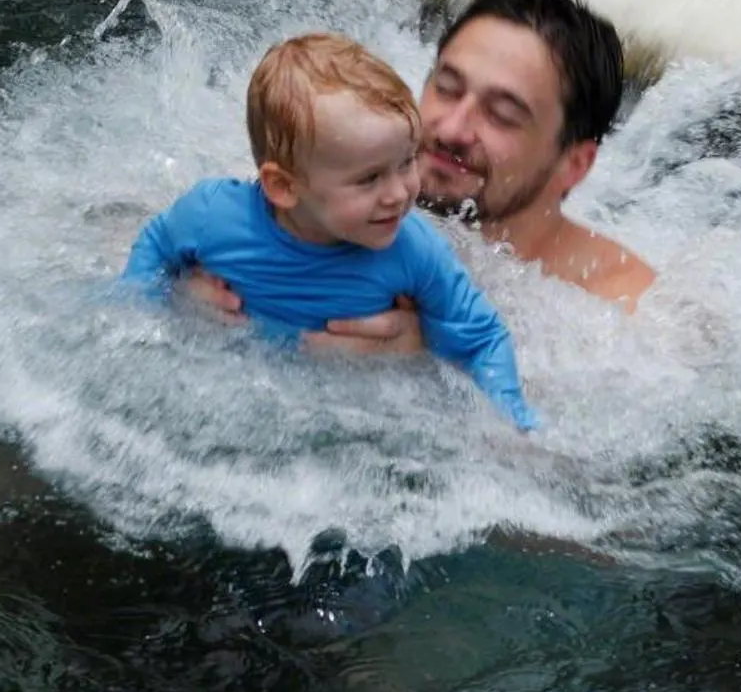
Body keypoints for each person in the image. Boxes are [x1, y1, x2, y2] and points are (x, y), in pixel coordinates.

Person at [190, 0, 656, 357]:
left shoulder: (623, 314)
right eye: (447, 88)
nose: (450, 128)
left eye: (503, 115)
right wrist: (185, 289)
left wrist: (433, 359)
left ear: (573, 164)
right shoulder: (321, 179)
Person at [119, 31, 539, 428]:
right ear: (284, 187)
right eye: (370, 178)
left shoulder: (413, 250)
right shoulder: (214, 216)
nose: (400, 193)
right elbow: (155, 244)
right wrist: (143, 308)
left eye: (408, 161)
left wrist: (511, 421)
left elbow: (483, 337)